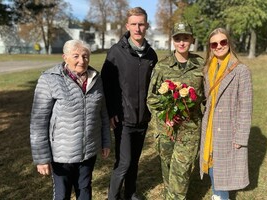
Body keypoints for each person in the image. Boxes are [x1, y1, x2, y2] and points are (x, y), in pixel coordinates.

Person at [30, 39, 111, 200]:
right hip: (61, 153)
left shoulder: (96, 79)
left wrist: (106, 141)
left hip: (88, 150)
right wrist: (41, 158)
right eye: (76, 56)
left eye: (86, 56)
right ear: (65, 57)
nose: (82, 60)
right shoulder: (49, 79)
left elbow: (102, 113)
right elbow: (39, 122)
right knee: (62, 195)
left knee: (85, 190)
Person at [101, 7, 158, 200]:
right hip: (123, 118)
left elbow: (155, 86)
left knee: (134, 162)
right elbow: (106, 84)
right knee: (124, 162)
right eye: (133, 24)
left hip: (143, 118)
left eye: (141, 24)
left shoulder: (152, 55)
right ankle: (113, 196)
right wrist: (112, 111)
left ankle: (130, 193)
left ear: (147, 26)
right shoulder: (116, 52)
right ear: (127, 26)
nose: (137, 28)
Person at [147, 21, 204, 200]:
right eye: (178, 38)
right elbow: (151, 98)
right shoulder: (162, 66)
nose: (181, 42)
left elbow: (207, 96)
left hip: (190, 128)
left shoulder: (201, 65)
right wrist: (167, 113)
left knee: (181, 170)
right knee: (168, 168)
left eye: (185, 38)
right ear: (173, 41)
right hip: (167, 129)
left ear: (192, 40)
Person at [199, 28, 253, 200]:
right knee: (214, 166)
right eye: (214, 44)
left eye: (223, 42)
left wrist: (240, 138)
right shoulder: (208, 69)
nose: (219, 46)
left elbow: (245, 107)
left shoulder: (241, 70)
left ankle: (221, 197)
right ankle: (218, 195)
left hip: (228, 129)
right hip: (211, 127)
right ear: (210, 47)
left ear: (229, 43)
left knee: (222, 170)